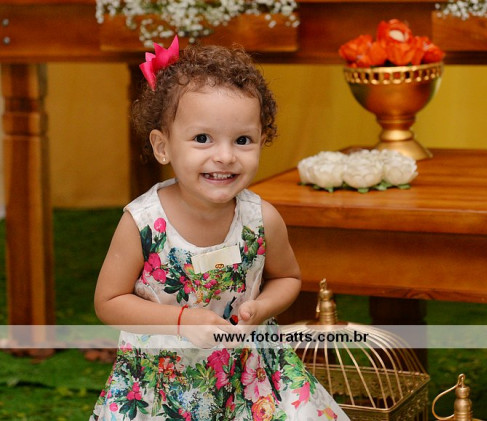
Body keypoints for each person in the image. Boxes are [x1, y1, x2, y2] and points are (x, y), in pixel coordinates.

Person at [90, 36, 348, 420]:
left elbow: (288, 277)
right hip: (164, 382)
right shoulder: (143, 224)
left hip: (251, 376)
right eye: (202, 139)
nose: (225, 156)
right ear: (163, 146)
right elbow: (108, 302)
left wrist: (260, 308)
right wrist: (182, 321)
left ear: (262, 141)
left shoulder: (261, 219)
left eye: (242, 140)